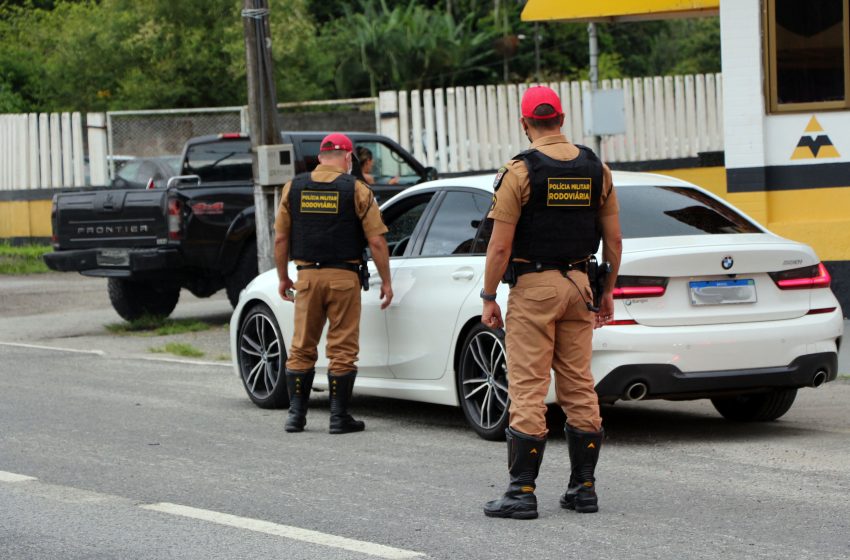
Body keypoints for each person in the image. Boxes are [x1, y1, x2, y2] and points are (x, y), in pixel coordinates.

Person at [480, 86, 622, 519]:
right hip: (581, 284)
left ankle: (521, 492)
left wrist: (489, 296)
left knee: (527, 385)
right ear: (561, 118)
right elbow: (613, 239)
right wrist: (608, 290)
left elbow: (500, 248)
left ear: (525, 124)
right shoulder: (597, 169)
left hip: (534, 287)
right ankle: (584, 489)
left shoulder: (519, 173)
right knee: (579, 383)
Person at [274, 133, 393, 434]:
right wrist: (387, 281)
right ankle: (339, 417)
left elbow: (280, 238)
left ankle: (295, 416)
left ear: (320, 157)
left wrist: (282, 277)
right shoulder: (356, 188)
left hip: (307, 278)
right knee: (342, 349)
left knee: (301, 346)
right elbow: (377, 241)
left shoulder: (294, 187)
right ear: (347, 158)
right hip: (343, 278)